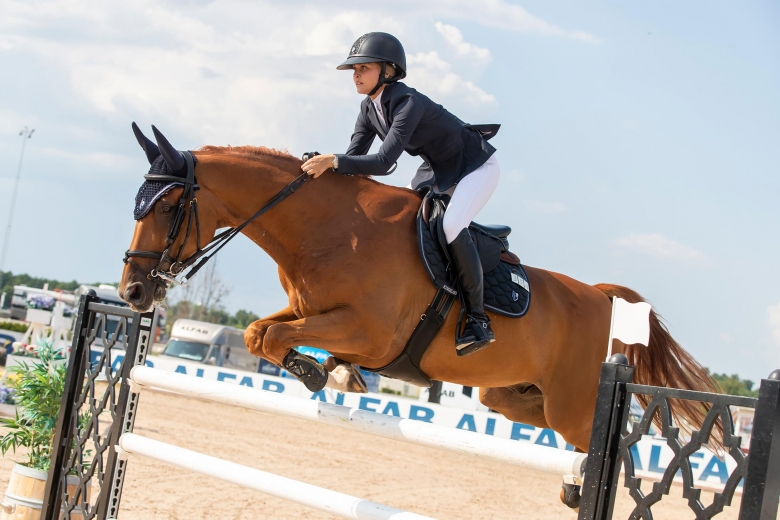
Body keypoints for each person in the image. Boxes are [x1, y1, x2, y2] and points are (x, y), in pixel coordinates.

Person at [301, 32, 500, 356]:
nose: (356, 75)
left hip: (475, 165)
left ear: (388, 71)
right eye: (354, 69)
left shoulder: (408, 102)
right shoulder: (369, 108)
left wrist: (333, 160)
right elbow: (356, 163)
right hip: (435, 169)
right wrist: (324, 169)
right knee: (401, 221)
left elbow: (382, 162)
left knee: (450, 226)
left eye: (363, 68)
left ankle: (478, 321)